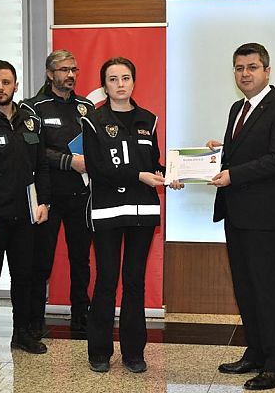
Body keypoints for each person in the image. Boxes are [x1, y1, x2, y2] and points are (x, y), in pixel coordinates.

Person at [207, 43, 275, 391]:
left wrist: (232, 173)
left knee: (266, 290)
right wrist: (217, 156)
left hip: (266, 216)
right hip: (236, 213)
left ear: (267, 71)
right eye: (239, 68)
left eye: (252, 67)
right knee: (245, 289)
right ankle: (256, 353)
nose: (244, 74)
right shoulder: (238, 108)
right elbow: (244, 153)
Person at [82, 57, 167, 374]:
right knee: (106, 280)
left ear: (134, 81)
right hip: (107, 213)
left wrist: (170, 175)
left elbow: (153, 162)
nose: (120, 84)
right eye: (113, 79)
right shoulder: (93, 120)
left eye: (126, 78)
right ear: (104, 85)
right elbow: (97, 168)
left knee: (134, 281)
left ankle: (133, 352)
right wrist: (138, 176)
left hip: (142, 213)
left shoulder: (149, 119)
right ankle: (99, 351)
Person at [0, 60, 50, 361]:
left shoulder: (31, 121)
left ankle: (22, 334)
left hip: (26, 215)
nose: (0, 87)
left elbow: (42, 165)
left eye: (6, 82)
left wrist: (44, 203)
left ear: (15, 85)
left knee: (24, 277)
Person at [21, 49, 94, 335]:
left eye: (74, 69)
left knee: (81, 261)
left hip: (81, 195)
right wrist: (68, 161)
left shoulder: (86, 106)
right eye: (64, 70)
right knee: (41, 261)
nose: (71, 75)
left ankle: (81, 320)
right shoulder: (33, 107)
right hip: (46, 197)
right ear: (50, 74)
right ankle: (34, 321)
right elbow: (33, 151)